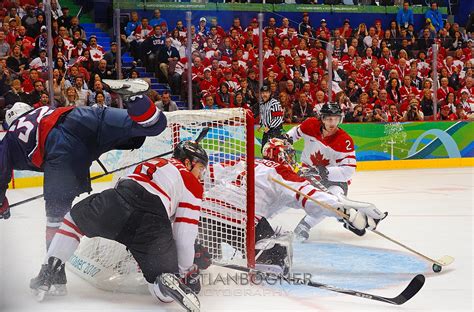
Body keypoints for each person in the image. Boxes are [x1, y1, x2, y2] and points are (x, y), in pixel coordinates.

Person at [29, 141, 208, 311]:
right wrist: (185, 271)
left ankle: (49, 270)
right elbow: (184, 235)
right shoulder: (191, 182)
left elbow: (124, 185)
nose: (201, 175)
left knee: (74, 220)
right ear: (187, 162)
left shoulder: (154, 162)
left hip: (119, 198)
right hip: (152, 220)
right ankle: (167, 283)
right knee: (163, 285)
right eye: (200, 168)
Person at [0, 79, 167, 250]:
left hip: (60, 149)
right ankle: (135, 99)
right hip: (80, 116)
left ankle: (51, 271)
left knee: (56, 218)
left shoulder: (10, 136)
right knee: (150, 125)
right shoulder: (42, 110)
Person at [204, 138, 386, 274]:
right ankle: (268, 264)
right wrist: (346, 214)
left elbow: (206, 174)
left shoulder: (244, 162)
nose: (292, 159)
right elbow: (313, 199)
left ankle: (202, 254)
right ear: (283, 155)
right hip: (242, 221)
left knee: (205, 252)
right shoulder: (281, 171)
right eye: (290, 154)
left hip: (206, 214)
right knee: (278, 253)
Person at [286, 103, 357, 241]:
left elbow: (348, 170)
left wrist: (321, 171)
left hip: (335, 179)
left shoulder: (345, 140)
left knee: (331, 201)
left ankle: (305, 226)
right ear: (322, 119)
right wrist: (286, 140)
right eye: (329, 119)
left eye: (336, 119)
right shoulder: (310, 124)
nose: (333, 123)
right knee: (290, 195)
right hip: (307, 173)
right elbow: (295, 133)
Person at [256, 85, 284, 151]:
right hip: (268, 129)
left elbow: (278, 118)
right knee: (264, 149)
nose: (264, 94)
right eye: (262, 93)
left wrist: (269, 126)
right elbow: (263, 115)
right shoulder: (262, 104)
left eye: (266, 93)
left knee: (275, 150)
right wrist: (261, 125)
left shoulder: (275, 103)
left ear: (270, 93)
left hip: (276, 130)